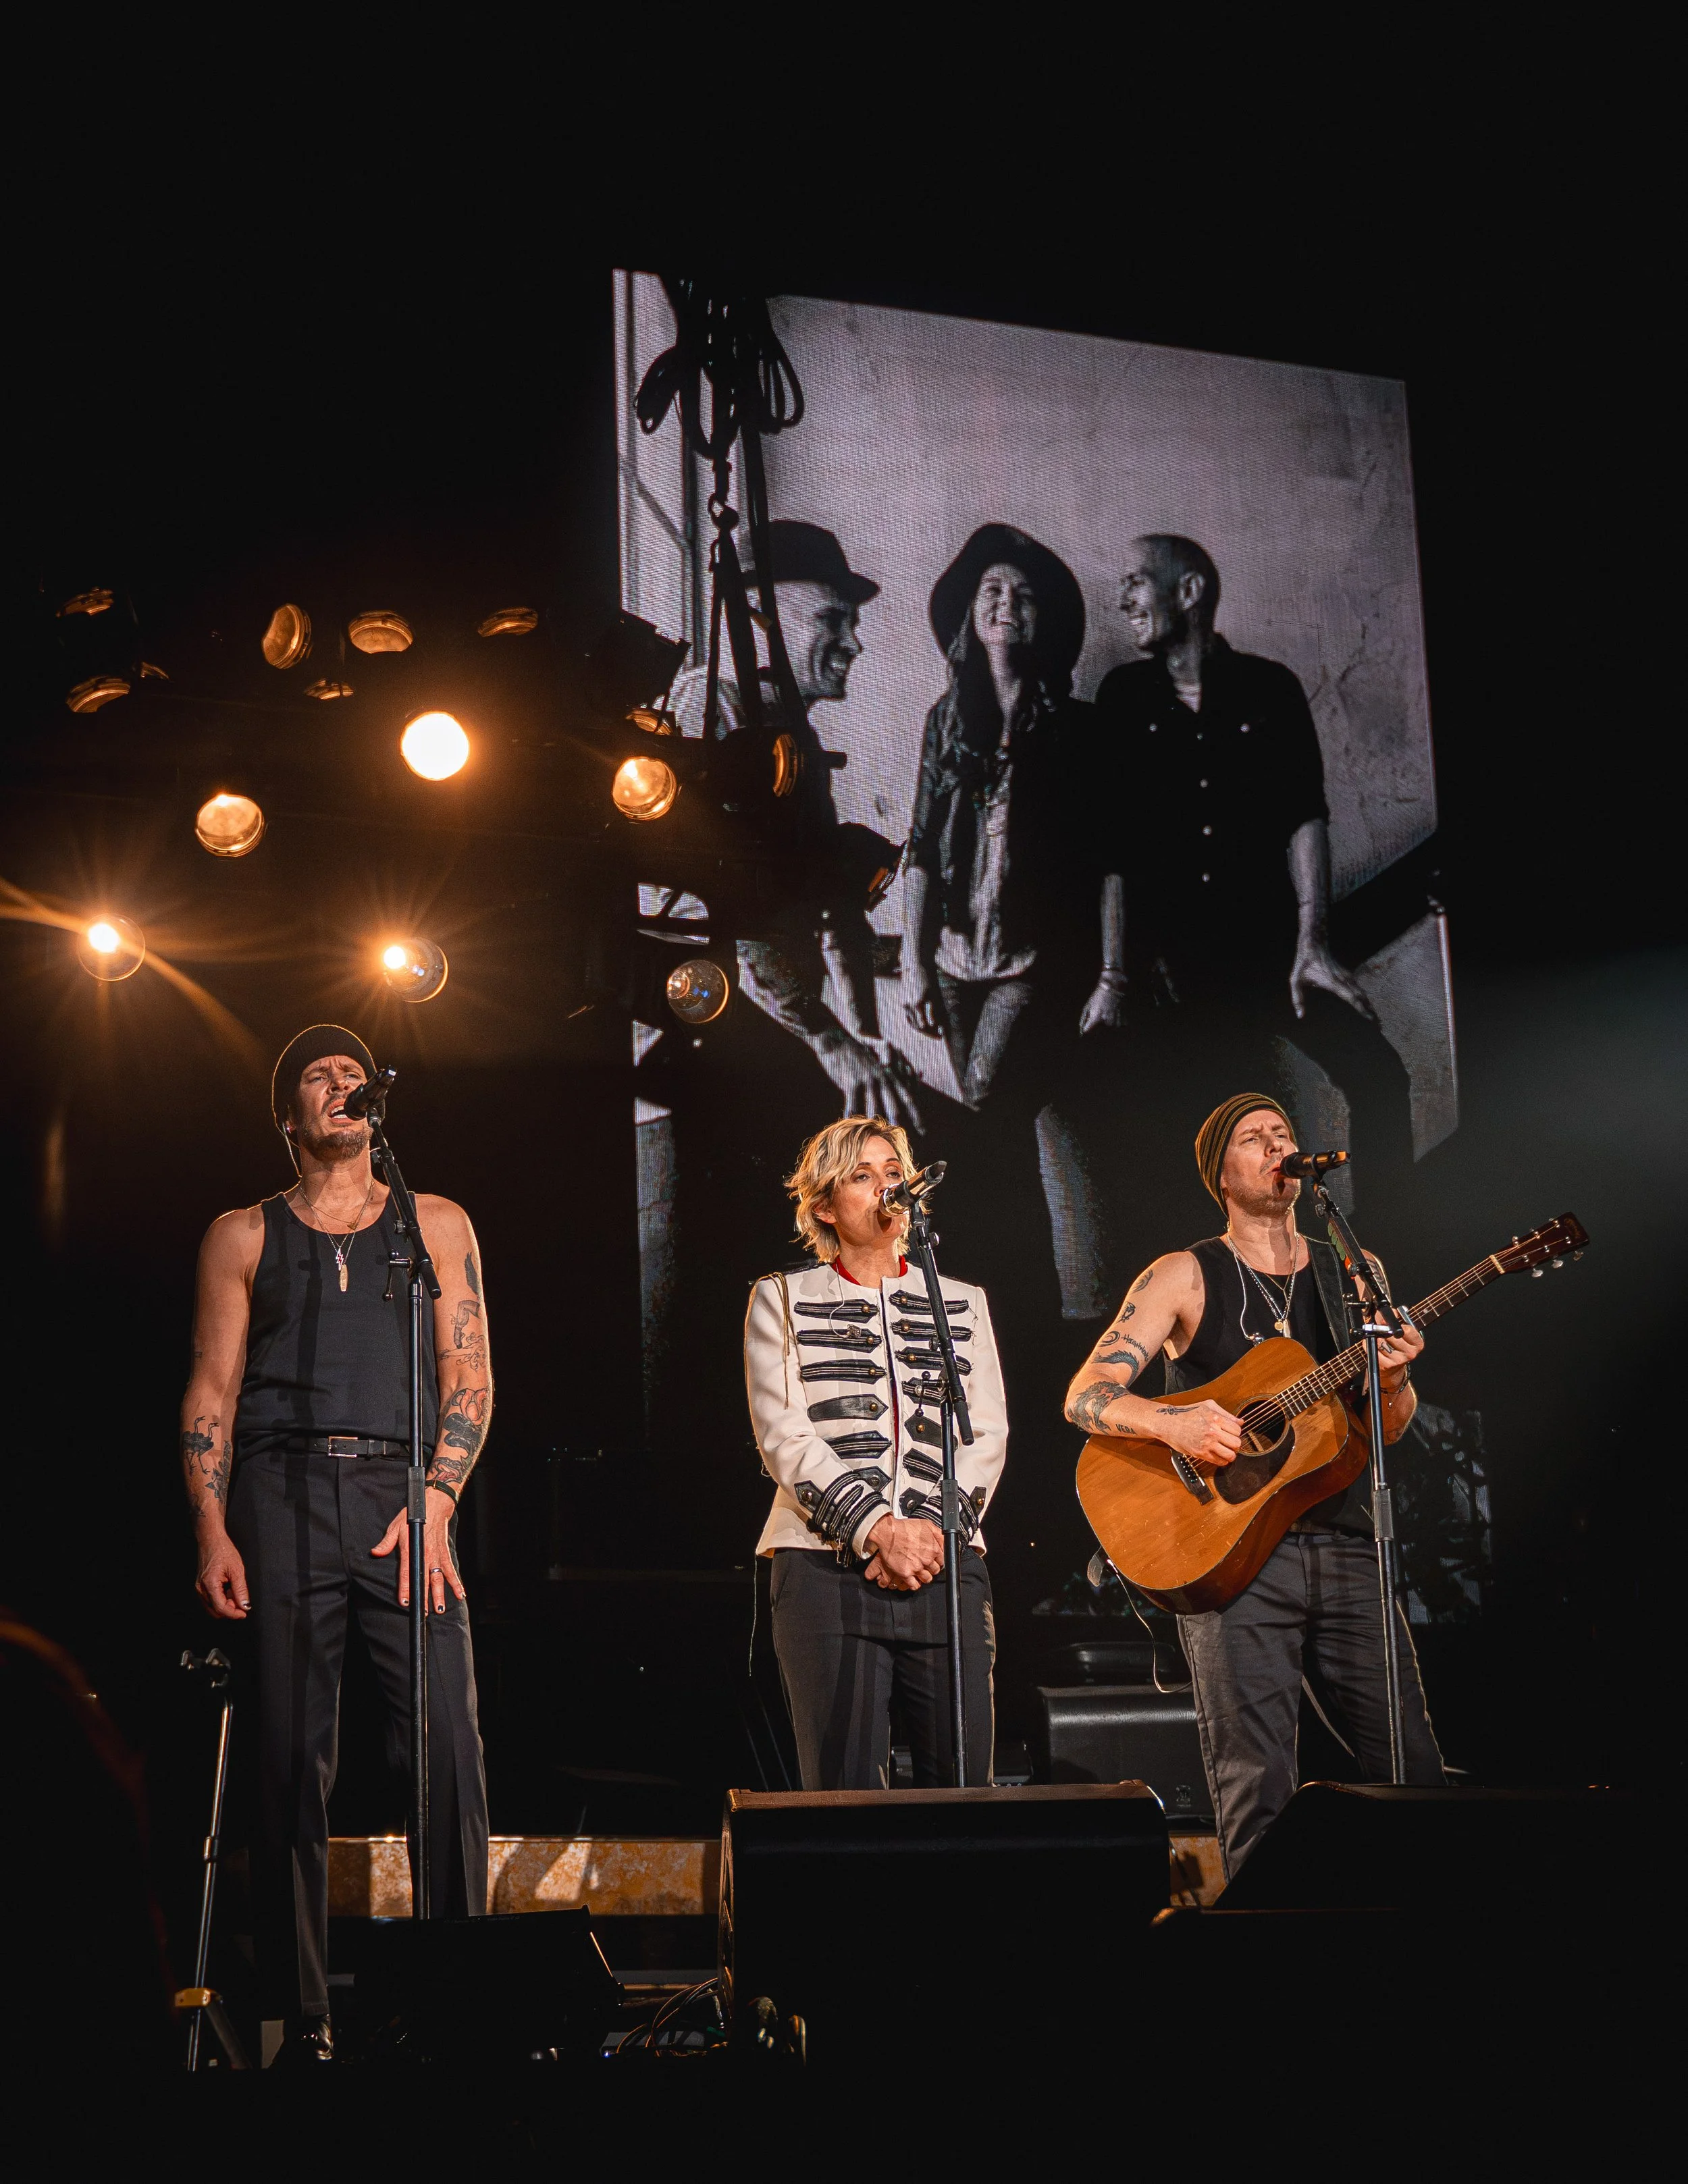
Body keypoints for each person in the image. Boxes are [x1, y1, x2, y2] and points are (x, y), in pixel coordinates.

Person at [181, 1024, 491, 2063]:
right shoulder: (243, 1231)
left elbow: (470, 1377)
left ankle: (459, 1994)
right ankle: (300, 2013)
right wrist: (213, 1522)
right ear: (288, 1115)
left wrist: (440, 1494)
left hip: (409, 1490)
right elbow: (213, 1389)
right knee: (286, 1757)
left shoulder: (434, 1220)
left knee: (446, 1741)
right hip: (281, 1487)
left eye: (351, 1070)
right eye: (316, 1074)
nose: (339, 1082)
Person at [1063, 1093, 1444, 1878]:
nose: (1276, 1145)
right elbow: (1085, 1395)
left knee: (1410, 1769)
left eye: (1284, 1133)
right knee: (1257, 1788)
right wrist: (1174, 1426)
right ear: (1222, 1176)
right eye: (1253, 1138)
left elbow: (1388, 1428)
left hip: (1344, 1545)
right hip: (1231, 1557)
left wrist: (1397, 1379)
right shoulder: (1184, 1273)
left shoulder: (1355, 1274)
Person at [1092, 536, 1413, 1215]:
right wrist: (1115, 975)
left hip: (1272, 953)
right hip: (1175, 974)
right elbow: (1114, 850)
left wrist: (1313, 945)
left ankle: (1384, 1267)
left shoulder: (1270, 688)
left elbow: (1305, 817)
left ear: (1188, 591)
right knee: (1205, 1136)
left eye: (1135, 583)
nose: (1122, 599)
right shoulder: (1121, 697)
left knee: (1380, 1076)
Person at [744, 1117, 1008, 1788]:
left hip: (944, 1563)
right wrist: (876, 1530)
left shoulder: (963, 1302)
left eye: (893, 1172)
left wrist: (926, 1533)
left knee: (963, 1792)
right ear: (826, 1205)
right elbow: (785, 1437)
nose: (886, 1186)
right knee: (844, 1794)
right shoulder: (780, 1296)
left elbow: (985, 1434)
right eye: (862, 1175)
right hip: (822, 1569)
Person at [900, 523, 1122, 1318]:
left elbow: (1108, 861)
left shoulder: (1078, 725)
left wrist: (1110, 973)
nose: (1007, 604)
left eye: (1024, 596)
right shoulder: (945, 719)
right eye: (991, 591)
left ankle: (995, 1308)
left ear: (1044, 620)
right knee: (999, 1148)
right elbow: (920, 849)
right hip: (957, 968)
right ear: (969, 611)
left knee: (982, 1127)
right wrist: (916, 962)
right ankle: (1021, 1314)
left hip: (1034, 968)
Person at [671, 518, 918, 1127]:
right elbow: (728, 906)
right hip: (694, 1053)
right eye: (831, 620)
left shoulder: (795, 738)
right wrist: (835, 1044)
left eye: (852, 623)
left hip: (773, 1036)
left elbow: (835, 903)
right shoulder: (712, 711)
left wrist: (864, 1035)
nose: (853, 643)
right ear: (758, 617)